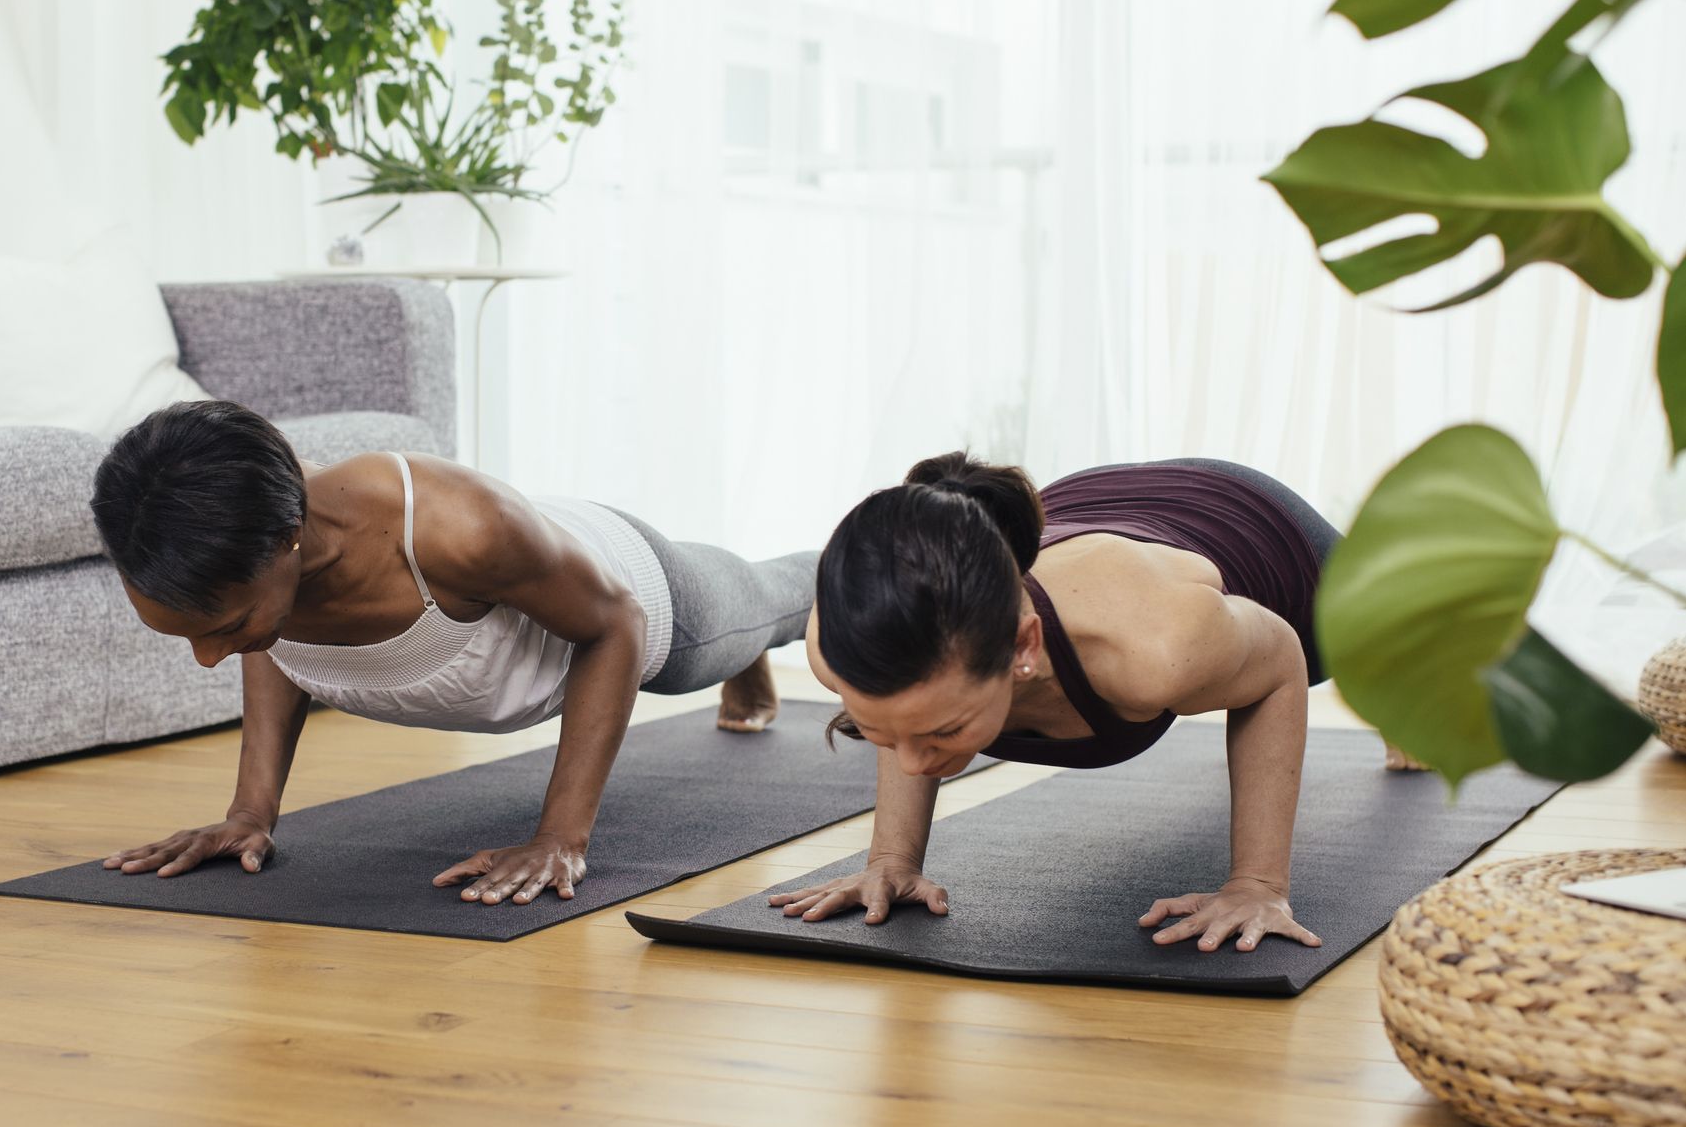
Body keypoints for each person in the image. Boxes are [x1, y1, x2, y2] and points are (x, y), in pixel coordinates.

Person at [93, 400, 816, 907]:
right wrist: (249, 813)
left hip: (642, 602)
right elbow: (270, 639)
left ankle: (793, 600)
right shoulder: (262, 554)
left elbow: (614, 624)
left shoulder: (461, 529)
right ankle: (744, 648)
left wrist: (559, 837)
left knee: (772, 602)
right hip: (545, 566)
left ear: (286, 543)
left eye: (223, 627)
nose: (207, 659)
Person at [785, 452, 1353, 954]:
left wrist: (1257, 886)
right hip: (1089, 507)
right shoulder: (840, 642)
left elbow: (1281, 662)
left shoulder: (1156, 649)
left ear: (1024, 647)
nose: (912, 761)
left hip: (1263, 529)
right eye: (881, 733)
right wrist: (891, 861)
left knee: (1400, 648)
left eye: (944, 731)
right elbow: (914, 693)